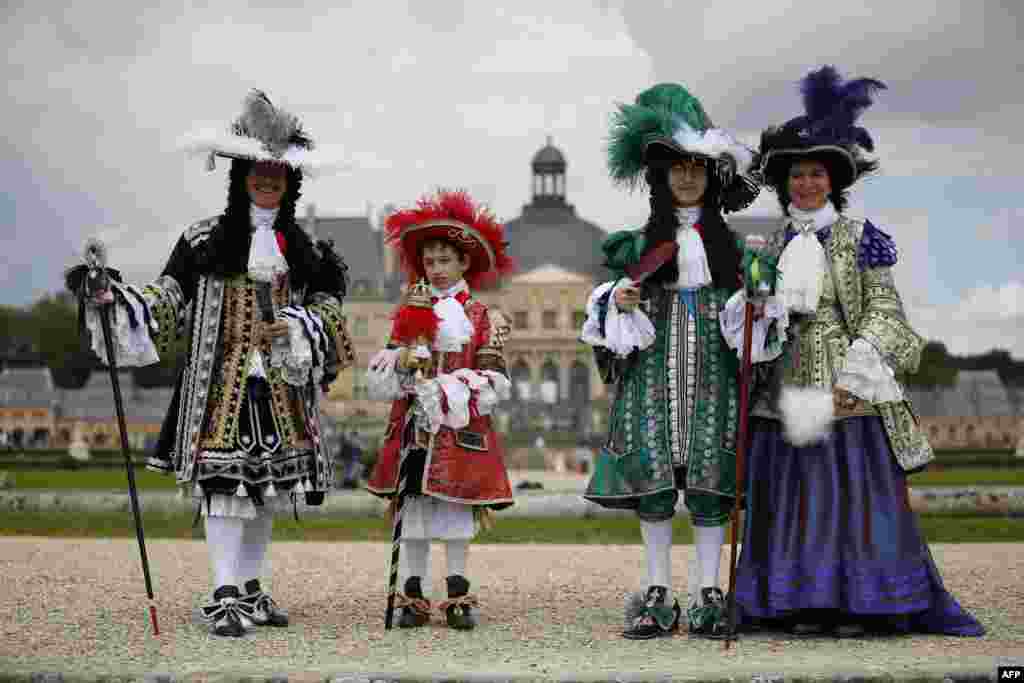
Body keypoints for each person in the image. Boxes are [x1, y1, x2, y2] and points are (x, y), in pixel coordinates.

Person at [69, 90, 354, 637]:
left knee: (269, 489)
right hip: (218, 384)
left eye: (278, 171)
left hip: (280, 388)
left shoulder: (306, 249)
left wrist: (299, 325)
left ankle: (250, 587)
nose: (268, 177)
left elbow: (330, 309)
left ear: (290, 179)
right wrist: (115, 301)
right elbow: (169, 295)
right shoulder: (203, 239)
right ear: (241, 173)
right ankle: (223, 591)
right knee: (224, 489)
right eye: (258, 169)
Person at [724, 65, 984, 638]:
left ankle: (863, 604)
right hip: (787, 384)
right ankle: (798, 604)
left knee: (854, 498)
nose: (807, 184)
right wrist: (754, 310)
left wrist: (856, 372)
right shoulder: (770, 243)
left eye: (817, 174)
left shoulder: (859, 235)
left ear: (833, 180)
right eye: (798, 174)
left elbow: (884, 311)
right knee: (792, 497)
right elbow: (753, 317)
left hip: (849, 381)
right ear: (786, 181)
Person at [579, 83, 760, 639]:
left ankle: (708, 588)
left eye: (697, 168)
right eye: (677, 168)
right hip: (653, 377)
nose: (686, 177)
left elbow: (756, 326)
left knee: (710, 483)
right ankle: (657, 589)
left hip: (712, 378)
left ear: (711, 176)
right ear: (661, 177)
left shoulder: (735, 251)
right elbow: (606, 314)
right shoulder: (635, 246)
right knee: (655, 486)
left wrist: (756, 305)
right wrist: (618, 300)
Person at [365, 190, 515, 630]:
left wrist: (449, 391)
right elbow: (386, 366)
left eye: (445, 261)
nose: (436, 269)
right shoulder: (410, 309)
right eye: (430, 262)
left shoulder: (483, 315)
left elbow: (494, 378)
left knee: (454, 510)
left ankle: (457, 592)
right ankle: (412, 593)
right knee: (412, 511)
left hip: (459, 426)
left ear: (463, 263)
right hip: (413, 426)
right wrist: (401, 364)